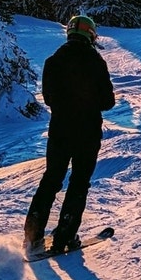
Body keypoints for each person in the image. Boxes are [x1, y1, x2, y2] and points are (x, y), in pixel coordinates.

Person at [24, 14, 116, 254]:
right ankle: (64, 236)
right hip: (87, 132)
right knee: (79, 182)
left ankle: (32, 236)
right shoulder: (96, 62)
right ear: (90, 34)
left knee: (51, 179)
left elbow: (48, 98)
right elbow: (108, 101)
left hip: (59, 131)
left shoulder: (53, 61)